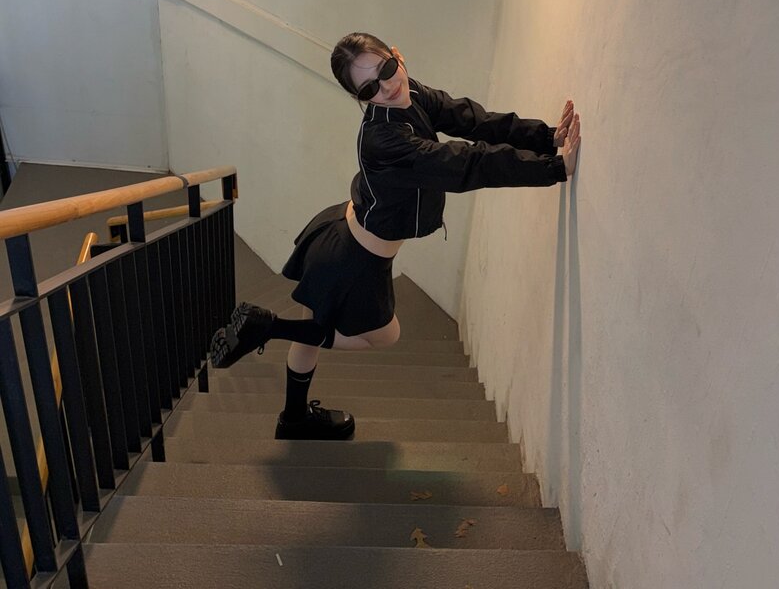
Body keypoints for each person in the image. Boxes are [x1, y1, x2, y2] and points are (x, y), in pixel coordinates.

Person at [208, 32, 581, 441]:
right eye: (369, 88)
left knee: (312, 330)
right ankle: (268, 328)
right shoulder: (383, 138)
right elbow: (465, 163)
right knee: (385, 336)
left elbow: (472, 120)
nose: (386, 87)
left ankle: (293, 417)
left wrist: (546, 137)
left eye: (387, 69)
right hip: (356, 258)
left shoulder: (412, 92)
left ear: (397, 56)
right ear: (359, 97)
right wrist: (552, 169)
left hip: (339, 230)